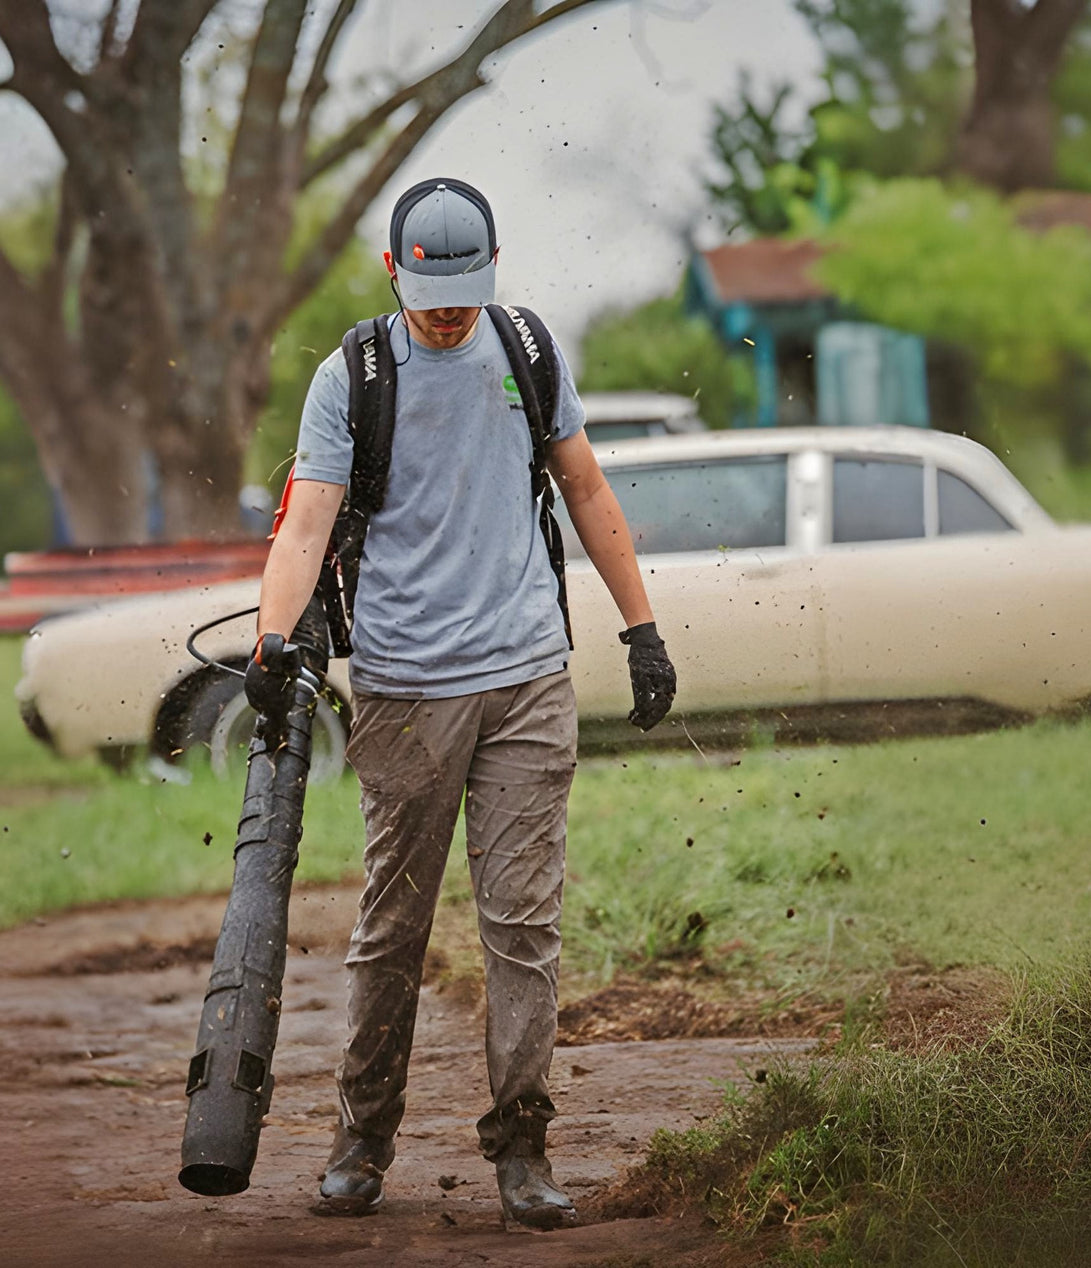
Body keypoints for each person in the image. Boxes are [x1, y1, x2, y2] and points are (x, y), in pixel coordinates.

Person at [246, 177, 675, 1229]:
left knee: (522, 925)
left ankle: (522, 1145)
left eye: (467, 290)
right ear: (394, 271)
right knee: (392, 928)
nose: (450, 311)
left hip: (527, 676)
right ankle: (361, 1138)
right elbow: (305, 525)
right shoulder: (351, 374)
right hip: (402, 688)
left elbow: (584, 489)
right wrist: (270, 634)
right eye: (433, 292)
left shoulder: (525, 348)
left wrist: (641, 626)